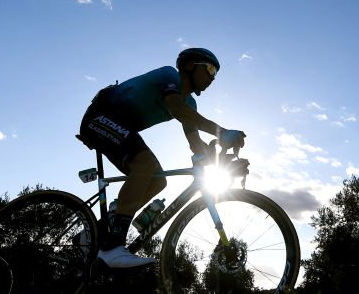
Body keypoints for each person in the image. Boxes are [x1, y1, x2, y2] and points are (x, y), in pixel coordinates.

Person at [78, 48, 246, 269]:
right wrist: (221, 132)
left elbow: (196, 145)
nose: (213, 78)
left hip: (121, 127)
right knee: (145, 164)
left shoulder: (190, 105)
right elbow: (178, 110)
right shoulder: (169, 76)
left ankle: (98, 230)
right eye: (210, 69)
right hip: (100, 116)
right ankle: (113, 247)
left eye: (216, 74)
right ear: (189, 66)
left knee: (158, 180)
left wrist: (222, 164)